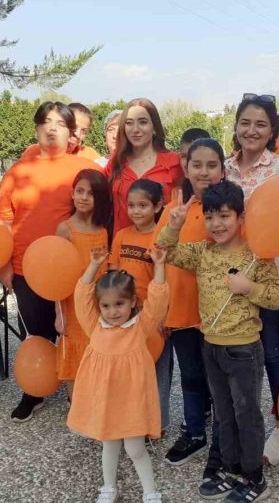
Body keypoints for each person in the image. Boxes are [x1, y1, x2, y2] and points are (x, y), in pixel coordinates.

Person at [157, 180, 279, 502]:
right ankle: (229, 469)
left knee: (247, 415)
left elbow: (275, 298)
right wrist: (174, 225)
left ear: (241, 217)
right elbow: (165, 250)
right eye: (211, 217)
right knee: (225, 415)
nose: (216, 224)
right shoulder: (202, 252)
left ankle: (254, 477)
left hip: (243, 350)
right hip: (210, 346)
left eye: (225, 216)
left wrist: (248, 288)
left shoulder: (258, 256)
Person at [0, 101, 99, 422]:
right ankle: (35, 390)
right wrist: (4, 266)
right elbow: (3, 223)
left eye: (60, 123)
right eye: (46, 121)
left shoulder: (86, 170)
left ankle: (82, 391)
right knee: (38, 333)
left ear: (71, 133)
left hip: (75, 268)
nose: (52, 128)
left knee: (78, 331)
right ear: (37, 127)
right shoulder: (16, 173)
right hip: (27, 270)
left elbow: (102, 215)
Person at [224, 93, 279, 465]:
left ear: (272, 130)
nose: (251, 130)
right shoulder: (224, 168)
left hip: (269, 278)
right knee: (236, 354)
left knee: (273, 352)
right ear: (236, 127)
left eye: (260, 124)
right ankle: (240, 424)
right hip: (227, 279)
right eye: (245, 122)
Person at [67, 246, 169, 503]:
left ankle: (150, 491)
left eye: (119, 304)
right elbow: (81, 295)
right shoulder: (94, 325)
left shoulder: (139, 328)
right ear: (99, 306)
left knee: (135, 447)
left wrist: (159, 266)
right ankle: (108, 487)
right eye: (106, 305)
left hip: (132, 400)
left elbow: (157, 302)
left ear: (132, 302)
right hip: (106, 399)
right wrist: (93, 265)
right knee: (109, 444)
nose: (113, 311)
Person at [153, 139, 224, 469]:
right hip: (181, 311)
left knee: (219, 380)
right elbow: (160, 255)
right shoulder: (173, 209)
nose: (204, 172)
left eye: (212, 165)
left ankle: (225, 440)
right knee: (191, 376)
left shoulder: (228, 210)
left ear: (223, 170)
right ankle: (195, 432)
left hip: (216, 314)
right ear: (186, 167)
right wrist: (161, 307)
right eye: (197, 165)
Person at [108, 178, 173, 436]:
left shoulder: (162, 239)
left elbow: (167, 279)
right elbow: (112, 274)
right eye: (131, 205)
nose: (135, 211)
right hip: (126, 315)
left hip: (152, 314)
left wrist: (164, 315)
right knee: (128, 372)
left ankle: (158, 423)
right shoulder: (122, 236)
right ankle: (131, 420)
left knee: (158, 370)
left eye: (143, 205)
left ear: (158, 206)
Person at [55, 169, 111, 396]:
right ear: (72, 194)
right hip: (73, 305)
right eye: (79, 191)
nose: (84, 197)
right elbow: (55, 275)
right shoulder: (65, 229)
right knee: (75, 356)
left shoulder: (103, 231)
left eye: (91, 193)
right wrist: (59, 313)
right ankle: (75, 404)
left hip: (98, 305)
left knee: (97, 351)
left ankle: (95, 404)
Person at [106, 98, 182, 235]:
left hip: (161, 247)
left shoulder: (175, 162)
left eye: (143, 122)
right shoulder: (116, 161)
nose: (135, 129)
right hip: (123, 248)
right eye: (129, 123)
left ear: (154, 127)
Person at [20, 102, 101, 162]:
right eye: (74, 127)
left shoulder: (90, 156)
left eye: (84, 131)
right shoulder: (33, 152)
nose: (77, 134)